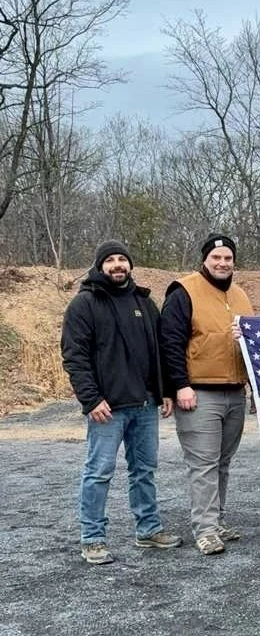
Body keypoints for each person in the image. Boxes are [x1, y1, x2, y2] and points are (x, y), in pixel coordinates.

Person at [61, 240, 182, 565]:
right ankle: (93, 538)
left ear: (130, 265)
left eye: (122, 259)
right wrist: (91, 400)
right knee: (98, 472)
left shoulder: (144, 301)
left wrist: (165, 391)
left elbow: (159, 352)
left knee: (144, 471)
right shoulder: (84, 304)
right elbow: (74, 357)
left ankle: (148, 529)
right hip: (107, 408)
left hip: (145, 405)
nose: (117, 265)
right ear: (100, 266)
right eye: (110, 260)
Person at [159, 233, 254, 555]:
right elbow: (170, 343)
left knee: (223, 462)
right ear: (204, 260)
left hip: (235, 391)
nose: (222, 263)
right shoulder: (184, 291)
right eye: (216, 258)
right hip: (199, 393)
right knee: (203, 465)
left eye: (228, 258)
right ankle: (205, 529)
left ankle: (218, 520)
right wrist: (179, 385)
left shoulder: (240, 295)